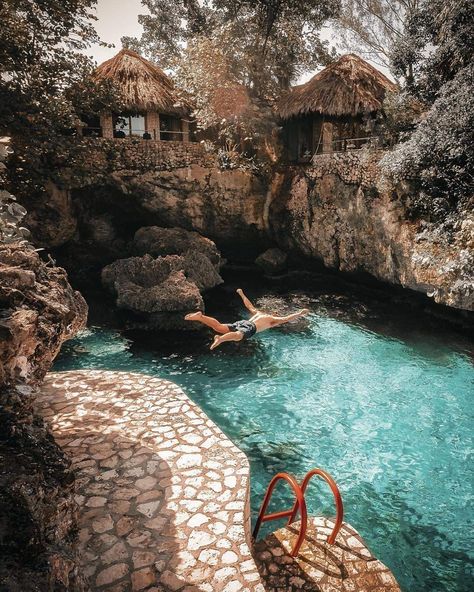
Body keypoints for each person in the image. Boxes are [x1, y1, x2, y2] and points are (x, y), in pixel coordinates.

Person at [185, 288, 310, 350]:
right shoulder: (272, 319)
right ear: (274, 313)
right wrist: (300, 313)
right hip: (250, 327)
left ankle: (200, 318)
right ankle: (220, 339)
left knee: (218, 327)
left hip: (244, 322)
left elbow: (248, 304)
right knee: (238, 336)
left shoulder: (258, 312)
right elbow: (287, 318)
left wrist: (241, 294)